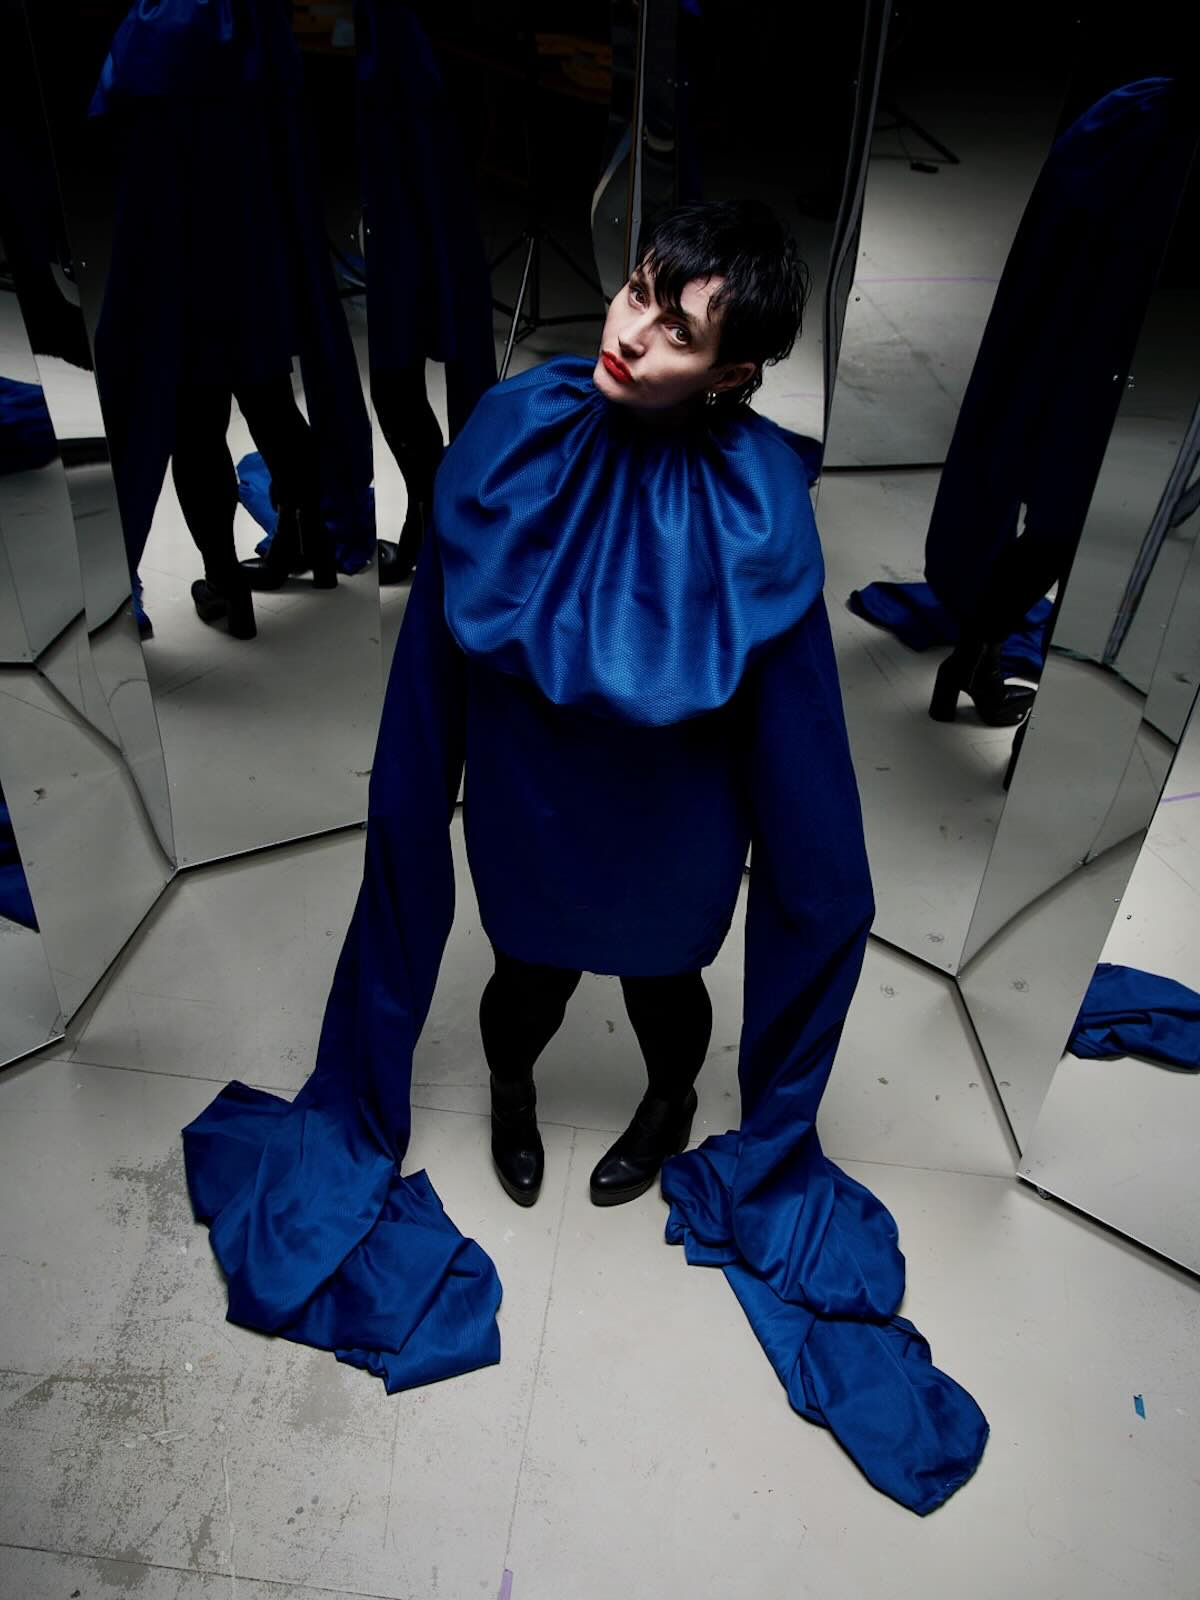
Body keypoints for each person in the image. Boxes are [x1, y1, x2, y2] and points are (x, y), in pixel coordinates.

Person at [184, 200, 988, 1514]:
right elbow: (431, 672)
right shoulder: (510, 432)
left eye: (677, 332)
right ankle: (514, 1097)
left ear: (731, 374)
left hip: (675, 820)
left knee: (669, 989)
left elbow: (800, 751)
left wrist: (816, 897)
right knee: (527, 982)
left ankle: (670, 1108)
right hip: (531, 802)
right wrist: (414, 806)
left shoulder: (760, 498)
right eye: (634, 295)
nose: (629, 333)